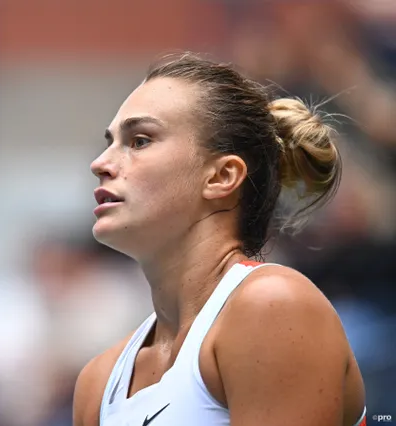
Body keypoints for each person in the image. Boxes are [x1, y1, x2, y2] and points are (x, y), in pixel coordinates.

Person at [73, 53, 367, 426]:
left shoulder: (273, 307)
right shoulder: (98, 382)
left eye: (140, 140)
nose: (100, 163)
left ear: (222, 177)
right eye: (110, 141)